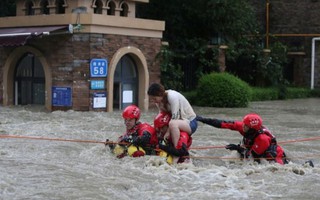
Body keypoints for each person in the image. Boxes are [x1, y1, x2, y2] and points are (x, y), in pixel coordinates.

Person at [196, 113, 288, 165]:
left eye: (246, 126)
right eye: (243, 123)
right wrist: (203, 120)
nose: (242, 126)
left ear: (252, 129)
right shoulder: (245, 127)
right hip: (254, 148)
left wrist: (237, 148)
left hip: (274, 157)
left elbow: (252, 157)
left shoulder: (262, 139)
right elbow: (222, 123)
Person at [147, 83, 198, 151]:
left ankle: (176, 150)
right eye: (152, 99)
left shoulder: (172, 97)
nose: (153, 101)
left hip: (190, 122)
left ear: (160, 94)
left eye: (154, 98)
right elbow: (161, 117)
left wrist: (167, 133)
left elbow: (175, 118)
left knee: (173, 124)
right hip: (178, 121)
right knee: (153, 125)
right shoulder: (159, 102)